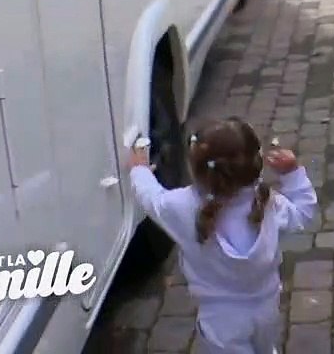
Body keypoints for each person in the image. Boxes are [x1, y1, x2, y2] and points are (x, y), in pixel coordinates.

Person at [127, 117, 318, 354]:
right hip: (266, 308)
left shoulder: (183, 207)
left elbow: (150, 198)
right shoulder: (268, 203)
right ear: (255, 163)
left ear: (196, 168)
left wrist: (139, 170)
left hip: (220, 319)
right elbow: (303, 212)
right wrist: (292, 174)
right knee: (265, 348)